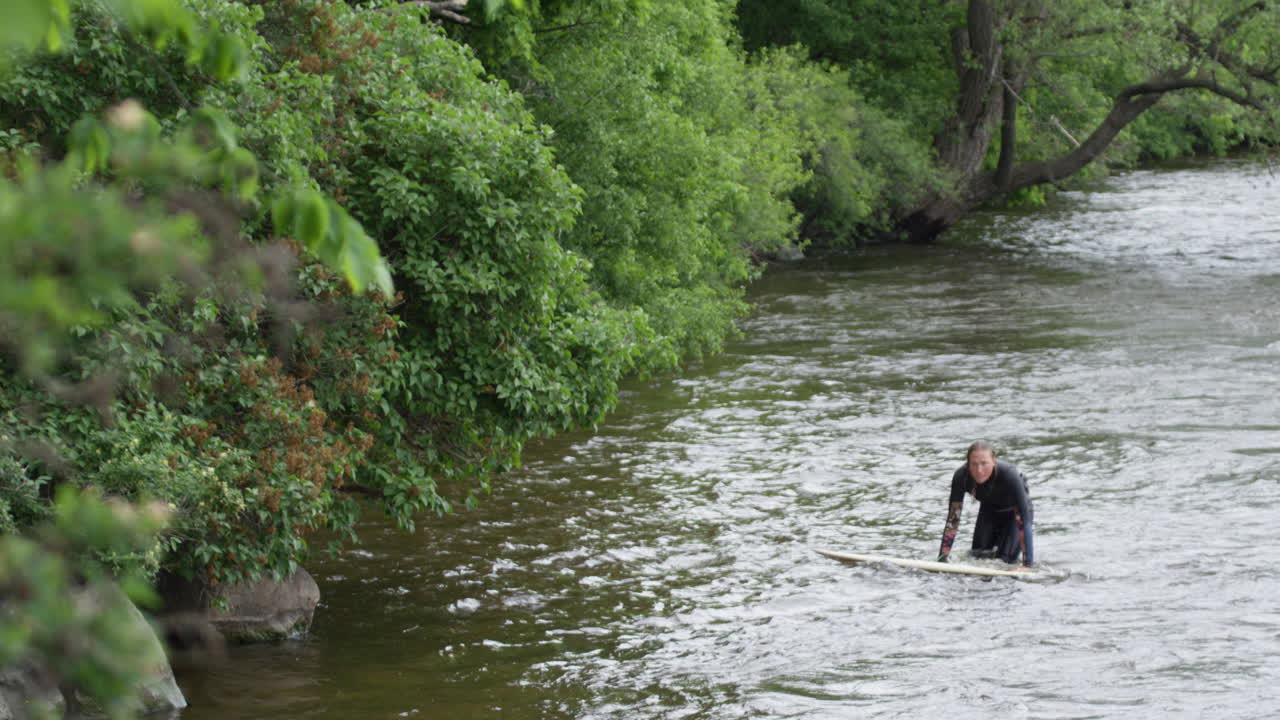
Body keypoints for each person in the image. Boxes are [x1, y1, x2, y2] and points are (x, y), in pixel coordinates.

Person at [936, 440, 1034, 566]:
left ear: (993, 461)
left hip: (1015, 515)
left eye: (984, 463)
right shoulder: (961, 477)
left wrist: (1028, 565)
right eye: (974, 464)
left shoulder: (1010, 475)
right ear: (968, 464)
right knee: (978, 557)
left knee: (1004, 561)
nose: (979, 470)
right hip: (988, 512)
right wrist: (942, 558)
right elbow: (953, 520)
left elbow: (1024, 520)